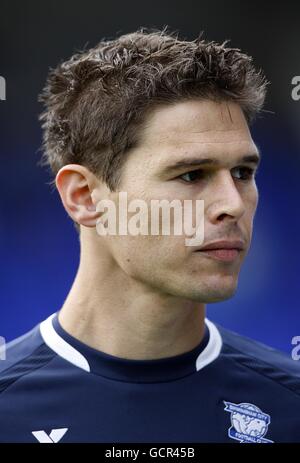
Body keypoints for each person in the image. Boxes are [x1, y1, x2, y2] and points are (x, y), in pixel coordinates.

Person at [1, 28, 299, 444]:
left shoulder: (290, 404)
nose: (233, 203)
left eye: (243, 173)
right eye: (192, 174)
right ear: (85, 196)